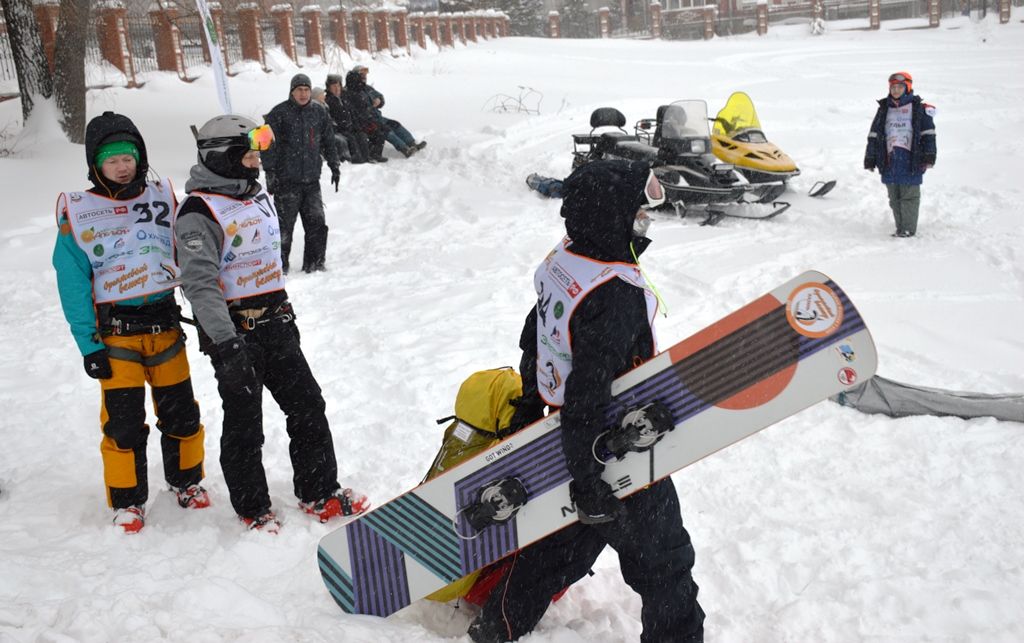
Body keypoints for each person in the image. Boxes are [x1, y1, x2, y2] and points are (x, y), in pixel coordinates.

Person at [468, 160, 705, 642]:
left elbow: (535, 334)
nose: (645, 219)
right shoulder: (614, 291)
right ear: (611, 213)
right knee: (665, 564)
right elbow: (589, 392)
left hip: (567, 441)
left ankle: (497, 626)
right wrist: (590, 477)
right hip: (613, 444)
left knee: (559, 548)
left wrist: (532, 407)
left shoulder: (568, 258)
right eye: (638, 211)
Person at [171, 114, 369, 532]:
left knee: (308, 406)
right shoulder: (197, 212)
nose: (257, 160)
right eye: (248, 153)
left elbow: (264, 261)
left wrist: (284, 307)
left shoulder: (255, 194)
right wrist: (226, 346)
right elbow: (201, 285)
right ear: (222, 157)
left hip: (276, 322)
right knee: (246, 422)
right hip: (234, 334)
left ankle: (318, 491)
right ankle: (252, 507)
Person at [52, 111, 208, 534]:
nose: (123, 166)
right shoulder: (79, 211)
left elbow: (188, 252)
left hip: (164, 329)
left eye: (130, 157)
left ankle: (187, 482)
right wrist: (89, 346)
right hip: (116, 335)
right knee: (123, 425)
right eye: (112, 159)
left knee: (182, 414)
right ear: (95, 165)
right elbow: (71, 283)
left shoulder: (162, 195)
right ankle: (128, 501)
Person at [262, 73, 341, 273]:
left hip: (312, 181)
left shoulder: (319, 112)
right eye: (300, 90)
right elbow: (266, 145)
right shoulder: (278, 113)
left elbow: (329, 140)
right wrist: (270, 171)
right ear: (292, 92)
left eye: (307, 90)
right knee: (284, 228)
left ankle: (315, 263)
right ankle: (279, 267)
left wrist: (334, 164)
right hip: (287, 182)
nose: (304, 94)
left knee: (317, 224)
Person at [864, 71, 937, 238]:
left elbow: (929, 134)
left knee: (909, 196)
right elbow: (874, 135)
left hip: (911, 160)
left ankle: (908, 229)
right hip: (889, 160)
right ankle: (900, 227)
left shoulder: (919, 109)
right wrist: (870, 157)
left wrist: (929, 155)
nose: (896, 90)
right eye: (893, 87)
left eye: (900, 87)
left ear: (908, 87)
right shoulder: (884, 109)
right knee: (894, 197)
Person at [350, 65, 426, 159]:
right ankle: (404, 149)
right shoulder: (351, 90)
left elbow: (380, 97)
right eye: (362, 75)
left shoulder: (368, 88)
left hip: (377, 116)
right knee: (386, 130)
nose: (364, 77)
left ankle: (412, 143)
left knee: (395, 124)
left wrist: (379, 100)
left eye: (365, 74)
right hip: (367, 120)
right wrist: (370, 107)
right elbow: (358, 110)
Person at [325, 73, 368, 164]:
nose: (337, 89)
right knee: (351, 138)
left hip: (350, 127)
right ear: (329, 87)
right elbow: (330, 119)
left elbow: (352, 113)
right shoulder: (328, 100)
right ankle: (358, 161)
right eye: (334, 86)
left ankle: (366, 160)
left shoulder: (344, 98)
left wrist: (357, 125)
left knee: (361, 135)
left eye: (338, 86)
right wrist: (340, 128)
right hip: (341, 129)